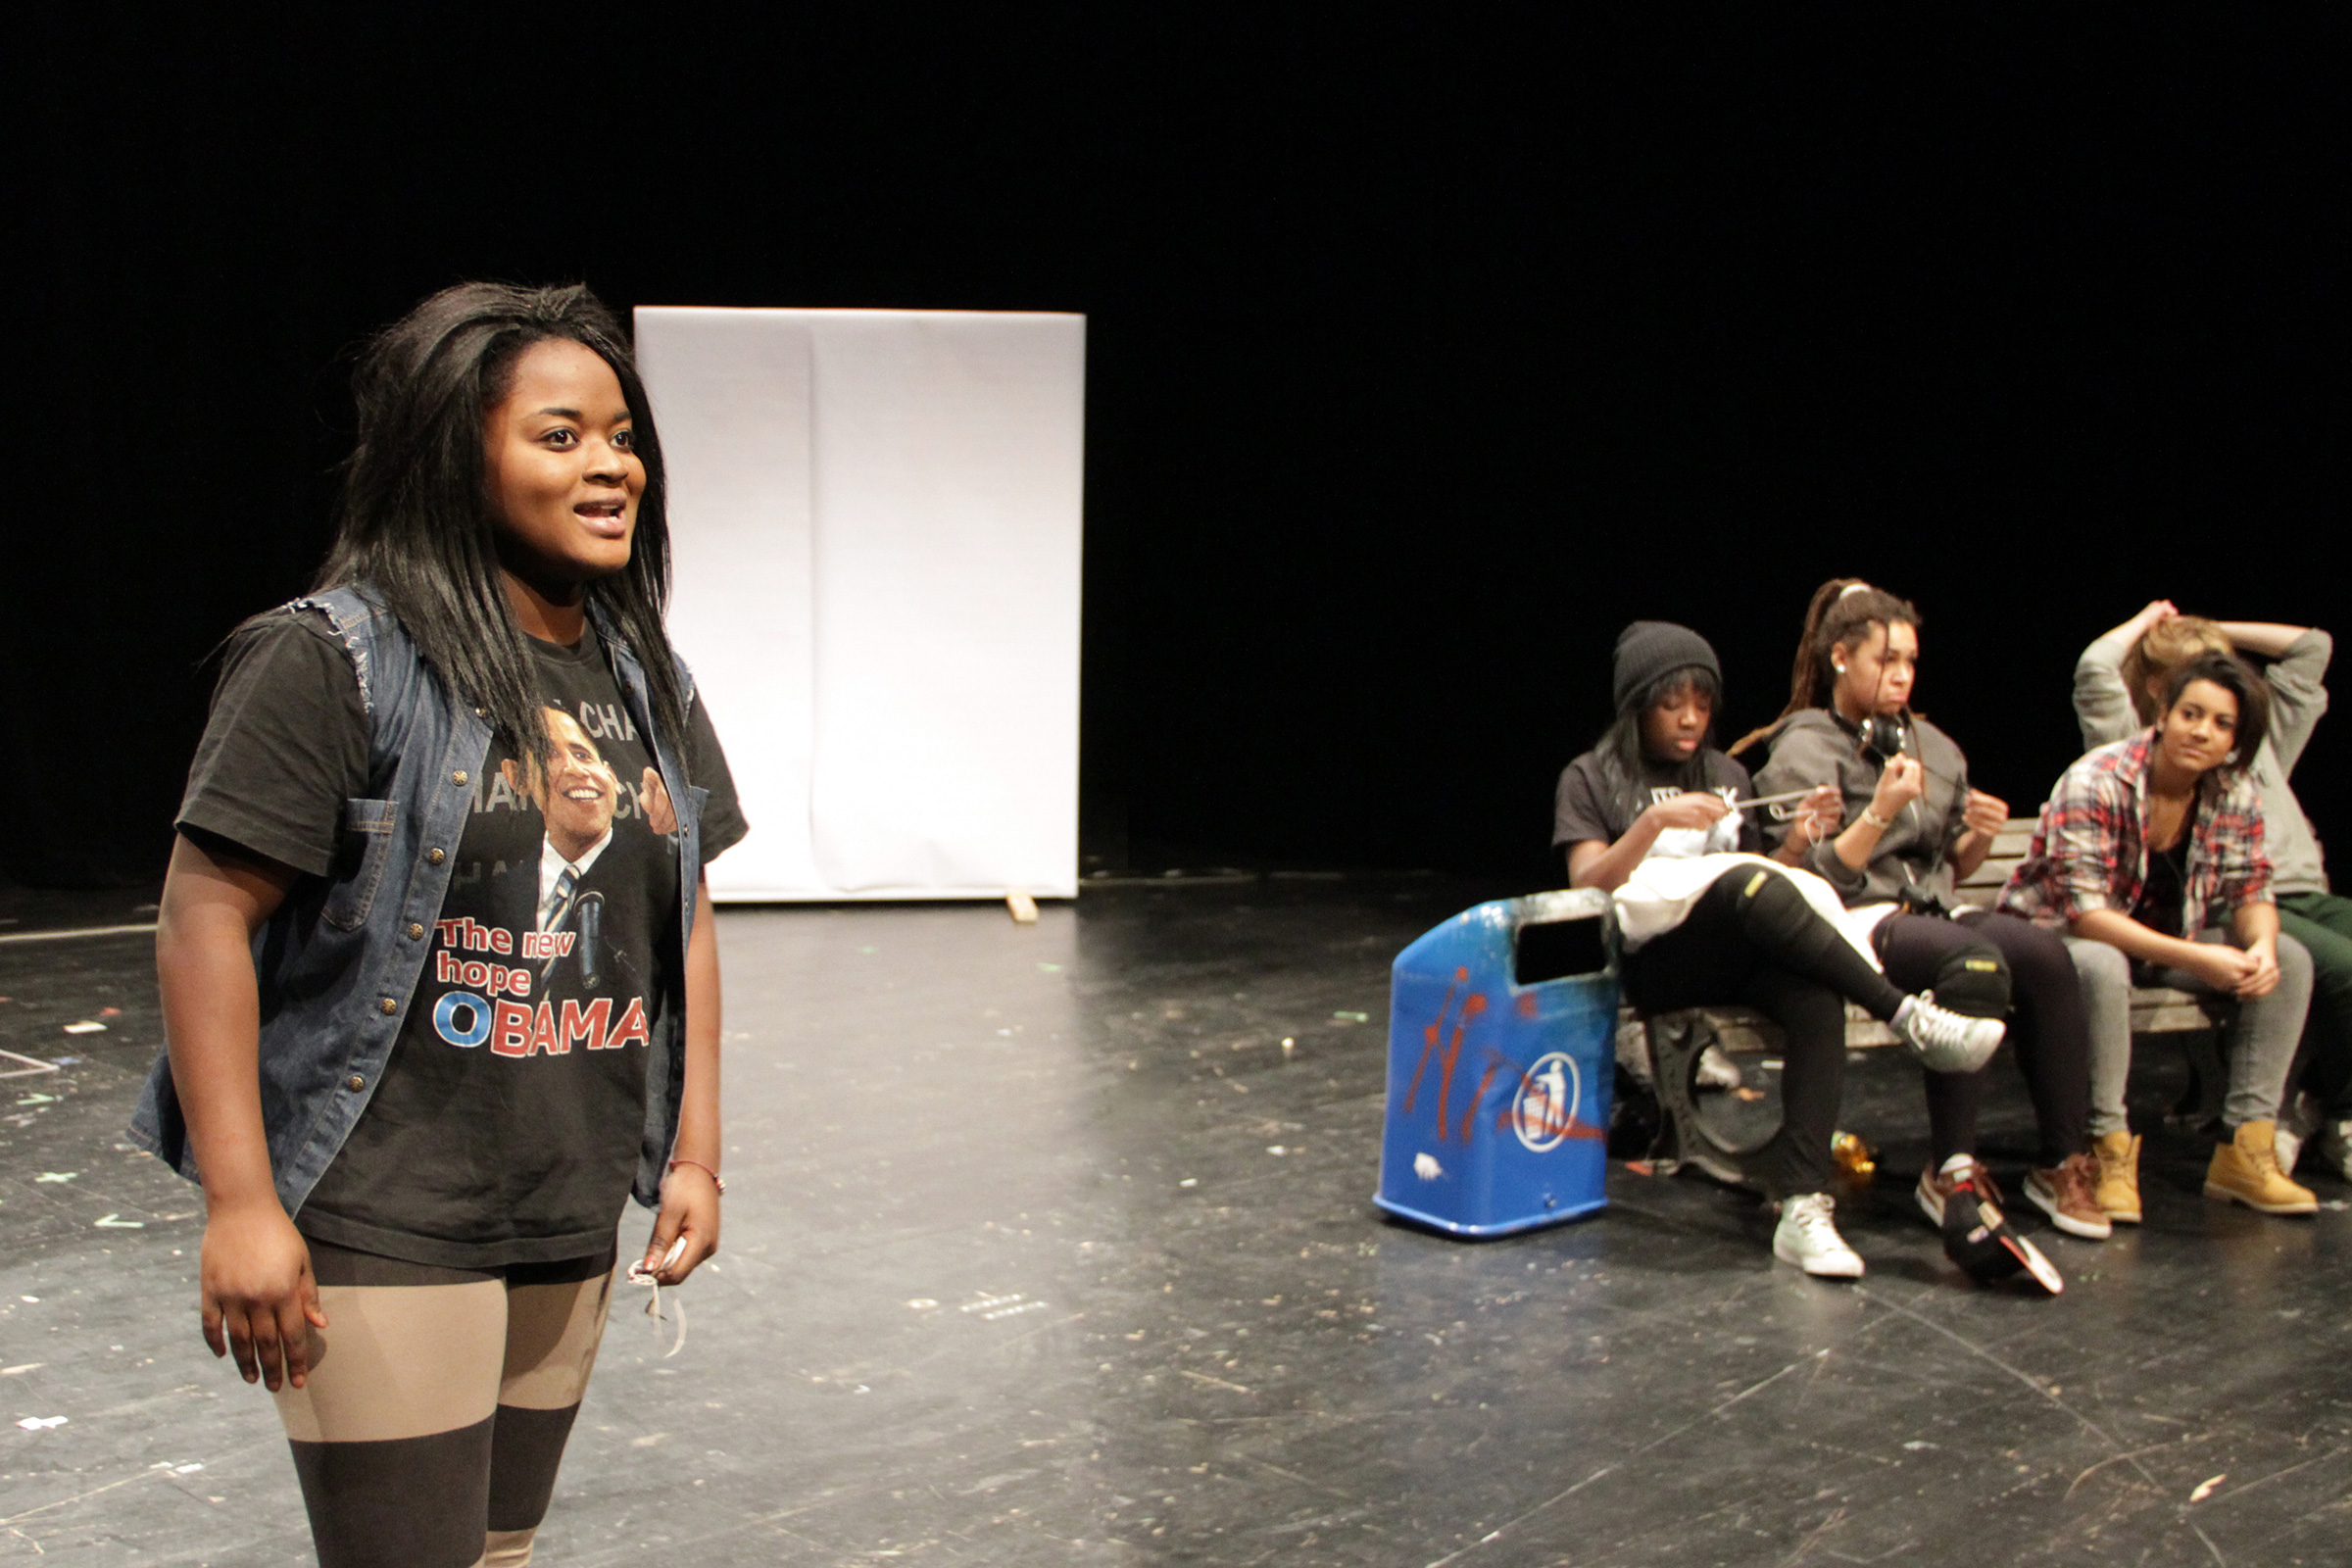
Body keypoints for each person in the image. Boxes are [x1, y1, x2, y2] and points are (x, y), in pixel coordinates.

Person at [133, 282, 749, 1568]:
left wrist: (694, 1154)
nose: (612, 467)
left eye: (622, 436)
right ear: (453, 457)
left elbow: (682, 906)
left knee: (497, 1555)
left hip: (566, 1202)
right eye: (560, 436)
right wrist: (241, 1203)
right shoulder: (335, 659)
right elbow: (203, 918)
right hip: (386, 1211)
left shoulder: (645, 675)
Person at [1555, 621, 2008, 1280]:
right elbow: (1587, 888)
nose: (1690, 719)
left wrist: (1797, 841)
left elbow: (1770, 890)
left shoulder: (1726, 773)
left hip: (1731, 948)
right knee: (1745, 881)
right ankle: (1905, 1014)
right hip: (1653, 961)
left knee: (1813, 997)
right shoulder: (1593, 776)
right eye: (1671, 704)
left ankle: (1802, 1208)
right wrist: (1652, 823)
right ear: (1636, 705)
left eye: (1702, 703)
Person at [1740, 579, 2105, 1282]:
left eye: (1910, 660)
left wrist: (1978, 837)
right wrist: (1877, 811)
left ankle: (2061, 1162)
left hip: (1931, 912)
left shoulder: (1933, 746)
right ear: (1841, 657)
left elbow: (1950, 866)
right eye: (1886, 660)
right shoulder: (1804, 746)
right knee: (1974, 961)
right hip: (1857, 918)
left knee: (2045, 957)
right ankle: (1953, 1170)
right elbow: (1814, 878)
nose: (1902, 674)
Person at [2005, 650, 2317, 1218]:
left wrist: (2262, 946)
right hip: (2056, 943)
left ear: (2236, 741)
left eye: (2221, 724)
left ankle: (2246, 1148)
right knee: (2103, 962)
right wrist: (2199, 960)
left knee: (2291, 960)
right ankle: (2106, 1148)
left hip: (2163, 941)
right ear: (2163, 714)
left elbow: (2251, 889)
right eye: (2191, 714)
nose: (2201, 732)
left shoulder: (2231, 791)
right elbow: (2087, 916)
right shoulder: (2097, 779)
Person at [2074, 603, 2352, 1181]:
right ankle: (2333, 1113)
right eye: (2194, 695)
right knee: (2340, 969)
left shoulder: (2246, 752)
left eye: (2224, 713)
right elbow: (2096, 668)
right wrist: (2150, 623)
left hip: (2290, 895)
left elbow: (2312, 647)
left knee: (2295, 958)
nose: (2211, 723)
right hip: (2202, 910)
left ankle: (2282, 1122)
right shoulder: (2133, 752)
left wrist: (2208, 632)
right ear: (2161, 694)